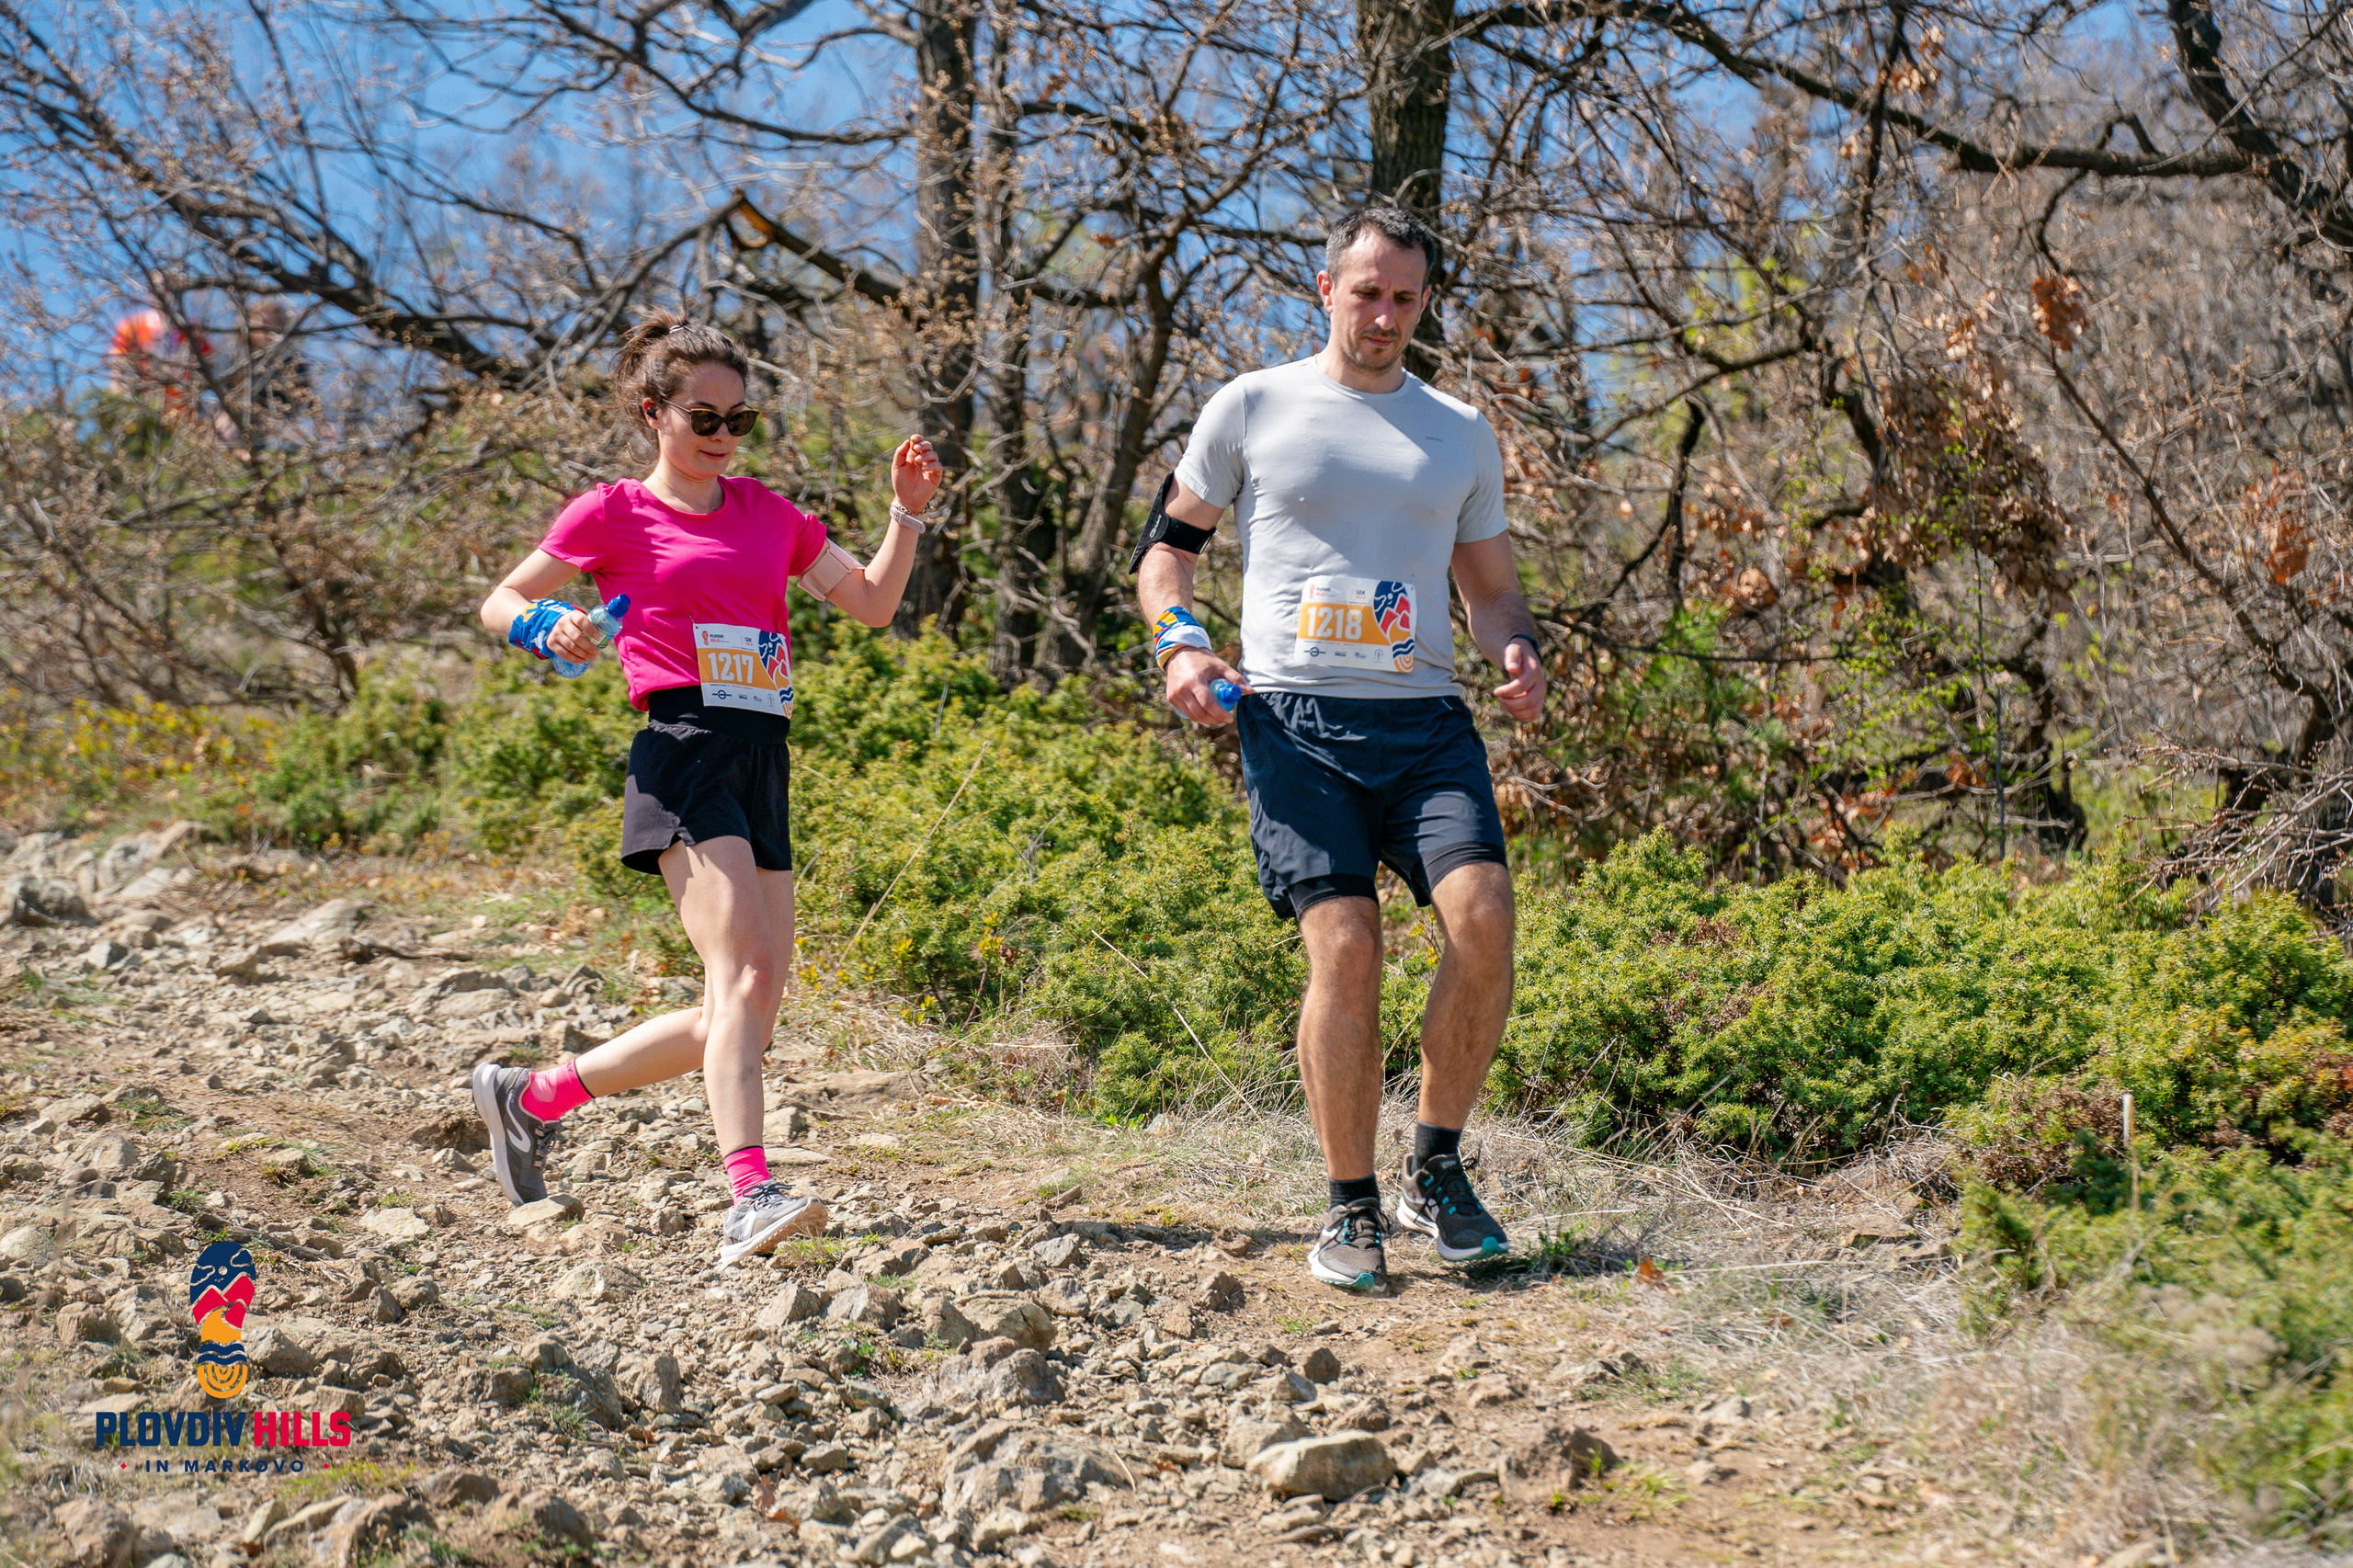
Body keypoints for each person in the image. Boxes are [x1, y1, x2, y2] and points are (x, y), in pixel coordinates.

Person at [472, 311, 943, 1267]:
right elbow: (501, 598)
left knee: (751, 1006)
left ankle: (534, 1096)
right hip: (682, 741)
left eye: (740, 418)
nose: (724, 436)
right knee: (737, 977)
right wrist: (545, 628)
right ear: (655, 414)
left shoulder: (770, 514)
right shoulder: (611, 510)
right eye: (704, 417)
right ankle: (747, 1193)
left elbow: (872, 603)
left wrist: (906, 513)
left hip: (762, 748)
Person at [1136, 207, 1548, 1293]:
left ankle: (1435, 1167)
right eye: (1366, 292)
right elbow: (1166, 554)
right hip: (1294, 720)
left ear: (1423, 302)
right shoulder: (1254, 405)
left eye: (1405, 298)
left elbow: (1493, 590)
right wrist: (1182, 648)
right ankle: (1348, 1204)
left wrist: (1517, 651)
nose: (1384, 315)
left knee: (1484, 918)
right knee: (1349, 944)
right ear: (1326, 288)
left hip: (1423, 721)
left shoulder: (1456, 429)